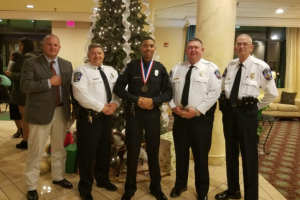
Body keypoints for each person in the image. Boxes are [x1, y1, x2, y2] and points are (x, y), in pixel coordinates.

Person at [215, 34, 278, 200]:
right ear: (235, 47)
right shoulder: (231, 65)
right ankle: (233, 190)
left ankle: (251, 196)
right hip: (229, 112)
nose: (241, 46)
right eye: (238, 44)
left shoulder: (260, 66)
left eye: (245, 44)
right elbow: (222, 87)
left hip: (247, 113)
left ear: (251, 48)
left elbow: (272, 94)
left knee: (249, 154)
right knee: (230, 152)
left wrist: (255, 107)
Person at [113, 37, 172, 200]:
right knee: (132, 151)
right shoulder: (131, 67)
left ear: (155, 48)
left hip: (153, 114)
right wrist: (136, 99)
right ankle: (129, 188)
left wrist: (153, 100)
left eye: (151, 46)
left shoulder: (160, 68)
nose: (148, 48)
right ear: (140, 48)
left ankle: (156, 187)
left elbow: (168, 92)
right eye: (145, 46)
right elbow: (118, 88)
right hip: (134, 113)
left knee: (153, 150)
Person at [20, 34, 74, 200]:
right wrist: (49, 82)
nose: (52, 47)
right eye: (49, 44)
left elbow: (70, 89)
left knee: (59, 149)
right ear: (43, 46)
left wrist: (73, 110)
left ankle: (58, 177)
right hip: (39, 113)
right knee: (35, 151)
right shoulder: (31, 63)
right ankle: (31, 186)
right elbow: (25, 86)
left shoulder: (66, 64)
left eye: (56, 45)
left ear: (59, 47)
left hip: (61, 111)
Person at [168, 38, 221, 200]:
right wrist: (172, 107)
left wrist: (197, 111)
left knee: (200, 156)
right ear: (186, 50)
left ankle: (202, 190)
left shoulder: (211, 69)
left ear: (202, 50)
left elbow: (214, 93)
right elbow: (167, 91)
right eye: (190, 47)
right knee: (181, 154)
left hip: (200, 120)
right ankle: (180, 185)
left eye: (196, 47)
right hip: (180, 119)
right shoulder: (177, 69)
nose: (193, 50)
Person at [72, 43, 121, 200]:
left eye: (99, 53)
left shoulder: (111, 71)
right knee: (87, 153)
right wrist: (101, 107)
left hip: (107, 118)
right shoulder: (81, 71)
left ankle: (102, 180)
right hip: (89, 118)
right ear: (88, 55)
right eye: (93, 53)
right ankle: (85, 187)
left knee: (104, 151)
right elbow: (80, 94)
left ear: (103, 54)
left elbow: (118, 91)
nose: (97, 56)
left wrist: (115, 104)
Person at [5, 38, 40, 148]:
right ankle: (30, 140)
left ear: (26, 46)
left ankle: (26, 141)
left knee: (25, 117)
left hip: (23, 92)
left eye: (20, 45)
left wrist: (11, 74)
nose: (18, 48)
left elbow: (25, 76)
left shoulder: (26, 58)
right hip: (31, 91)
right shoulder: (36, 56)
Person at [7, 50, 23, 138]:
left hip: (18, 92)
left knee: (16, 113)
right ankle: (20, 129)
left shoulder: (20, 65)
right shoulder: (12, 64)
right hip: (13, 91)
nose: (9, 58)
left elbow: (22, 76)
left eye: (11, 56)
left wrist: (11, 74)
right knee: (15, 113)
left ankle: (21, 130)